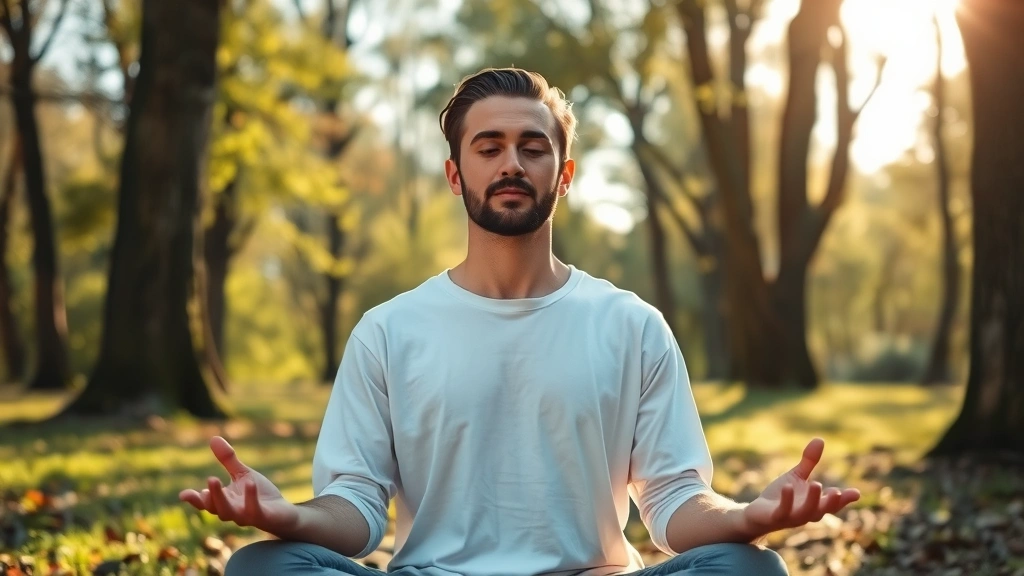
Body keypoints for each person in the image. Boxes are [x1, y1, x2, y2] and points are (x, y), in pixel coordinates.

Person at [179, 68, 860, 576]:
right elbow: (356, 510)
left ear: (564, 175)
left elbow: (675, 501)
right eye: (489, 147)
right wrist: (290, 517)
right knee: (263, 566)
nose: (511, 163)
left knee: (747, 567)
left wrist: (747, 516)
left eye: (533, 147)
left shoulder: (631, 325)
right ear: (455, 175)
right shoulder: (388, 331)